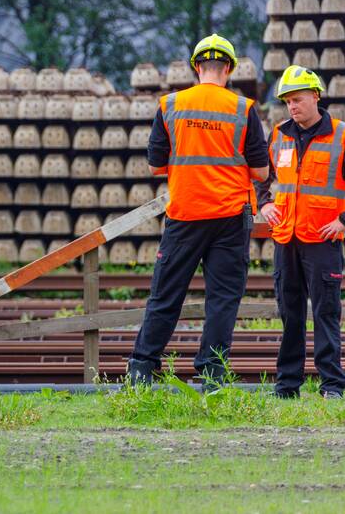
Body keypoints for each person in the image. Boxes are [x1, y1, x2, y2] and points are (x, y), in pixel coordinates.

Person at [127, 35, 269, 388]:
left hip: (185, 215)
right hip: (230, 218)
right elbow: (262, 172)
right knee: (222, 300)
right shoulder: (243, 108)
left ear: (196, 67)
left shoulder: (171, 104)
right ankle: (211, 372)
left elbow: (155, 167)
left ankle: (142, 367)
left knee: (165, 294)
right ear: (230, 69)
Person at [257, 66, 345, 399]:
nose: (292, 106)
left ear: (316, 97)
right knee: (290, 316)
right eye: (287, 101)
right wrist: (264, 203)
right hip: (286, 239)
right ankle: (287, 386)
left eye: (297, 99)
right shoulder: (279, 134)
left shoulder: (341, 135)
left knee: (326, 314)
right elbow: (259, 175)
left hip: (323, 239)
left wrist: (344, 221)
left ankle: (332, 386)